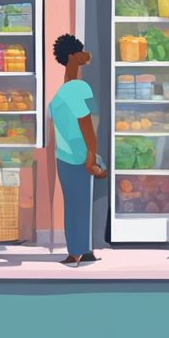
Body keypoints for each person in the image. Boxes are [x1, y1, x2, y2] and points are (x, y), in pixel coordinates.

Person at [49, 34, 105, 266]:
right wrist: (92, 154)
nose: (85, 55)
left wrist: (91, 153)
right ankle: (80, 250)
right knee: (79, 203)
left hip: (68, 155)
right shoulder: (77, 87)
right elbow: (89, 121)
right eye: (80, 51)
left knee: (74, 203)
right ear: (72, 56)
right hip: (78, 154)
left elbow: (89, 120)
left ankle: (78, 251)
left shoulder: (67, 90)